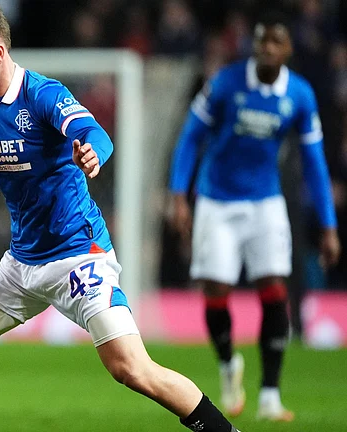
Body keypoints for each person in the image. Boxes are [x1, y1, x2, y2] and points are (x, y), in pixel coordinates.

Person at [0, 3, 239, 432]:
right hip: (21, 265)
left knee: (131, 368)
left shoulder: (43, 94)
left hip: (79, 257)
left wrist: (93, 151)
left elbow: (94, 133)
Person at [168, 12, 341, 421]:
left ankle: (269, 396)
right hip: (217, 200)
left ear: (287, 50)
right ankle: (229, 366)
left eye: (273, 42)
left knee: (273, 287)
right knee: (215, 289)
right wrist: (180, 195)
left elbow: (315, 162)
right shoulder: (225, 83)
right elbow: (191, 135)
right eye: (260, 40)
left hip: (266, 201)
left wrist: (329, 224)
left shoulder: (299, 95)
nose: (264, 47)